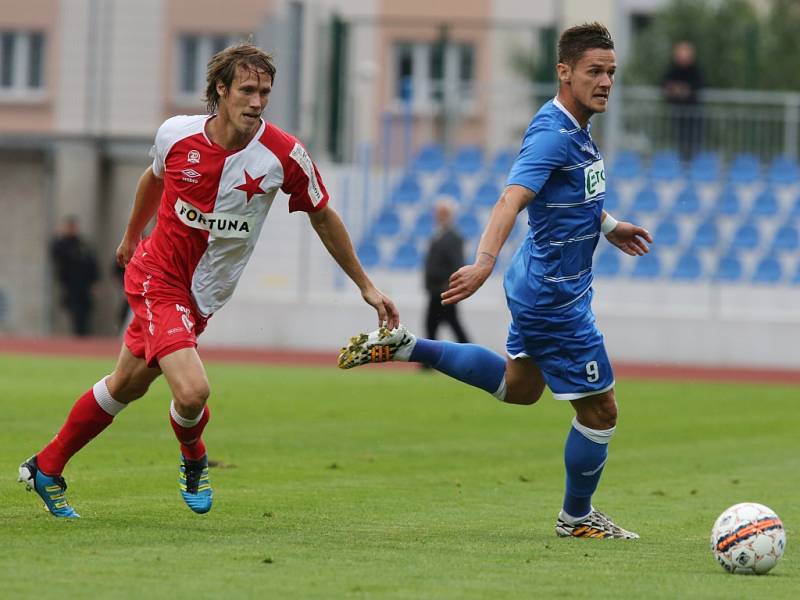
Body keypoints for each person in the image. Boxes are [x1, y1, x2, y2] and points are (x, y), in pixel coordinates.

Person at [18, 42, 399, 518]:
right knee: (193, 391)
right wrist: (131, 236)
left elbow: (323, 216)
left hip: (205, 296)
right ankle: (195, 459)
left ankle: (46, 467)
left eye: (264, 92)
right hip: (158, 277)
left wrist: (365, 284)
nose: (257, 102)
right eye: (246, 90)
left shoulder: (283, 155)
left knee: (127, 385)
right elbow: (151, 179)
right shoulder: (176, 136)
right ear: (220, 90)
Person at [339, 22, 653, 539]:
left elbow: (569, 197)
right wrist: (484, 260)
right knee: (601, 410)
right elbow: (512, 198)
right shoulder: (554, 134)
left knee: (520, 387)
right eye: (594, 71)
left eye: (612, 73)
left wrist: (610, 226)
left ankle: (407, 347)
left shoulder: (574, 127)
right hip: (554, 295)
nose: (605, 82)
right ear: (564, 72)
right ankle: (576, 518)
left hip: (541, 282)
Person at [423, 199, 470, 345]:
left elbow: (457, 264)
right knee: (437, 324)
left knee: (440, 324)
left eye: (443, 213)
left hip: (443, 290)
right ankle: (469, 352)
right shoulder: (439, 235)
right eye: (438, 213)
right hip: (437, 290)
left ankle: (469, 353)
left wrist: (448, 286)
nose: (438, 216)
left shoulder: (453, 237)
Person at [50, 215, 99, 336]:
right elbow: (55, 253)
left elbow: (92, 263)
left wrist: (95, 281)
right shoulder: (62, 243)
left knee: (85, 312)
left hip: (84, 285)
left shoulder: (82, 244)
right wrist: (60, 236)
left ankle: (83, 336)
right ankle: (78, 337)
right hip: (70, 284)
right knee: (74, 311)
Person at [662, 40, 704, 160]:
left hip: (693, 116)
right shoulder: (672, 69)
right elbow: (665, 84)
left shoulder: (696, 70)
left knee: (693, 142)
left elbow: (699, 85)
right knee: (677, 143)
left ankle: (691, 163)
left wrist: (684, 90)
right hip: (676, 115)